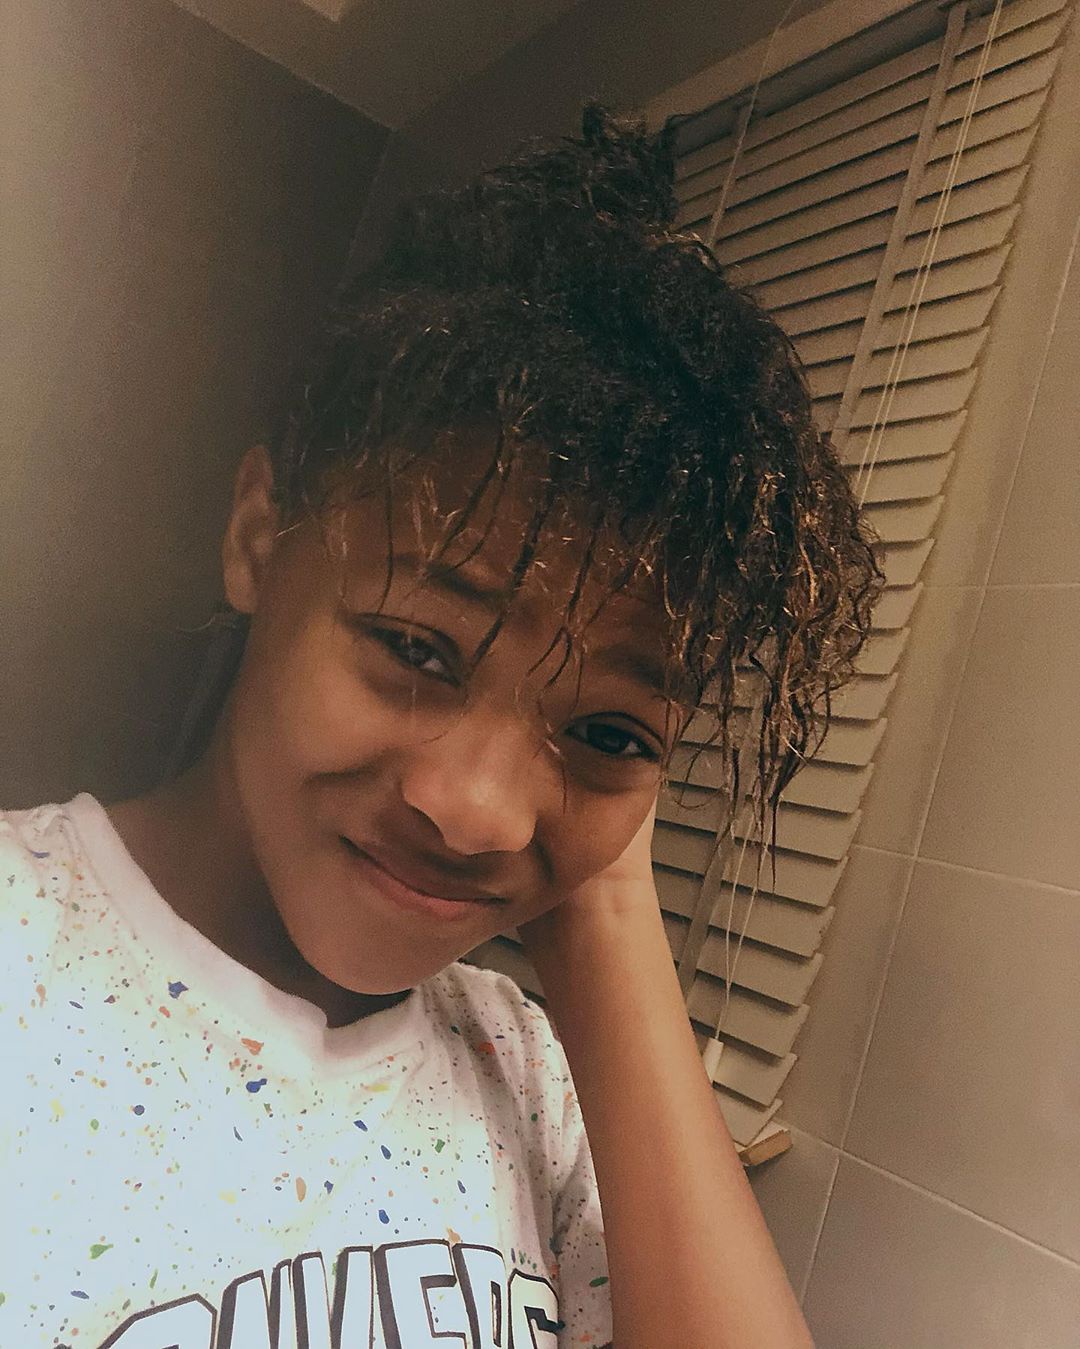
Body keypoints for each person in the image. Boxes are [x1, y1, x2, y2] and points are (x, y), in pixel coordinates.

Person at [1, 104, 882, 1348]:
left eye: (611, 732)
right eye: (417, 648)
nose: (477, 810)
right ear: (260, 534)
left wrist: (606, 908)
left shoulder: (528, 1065)